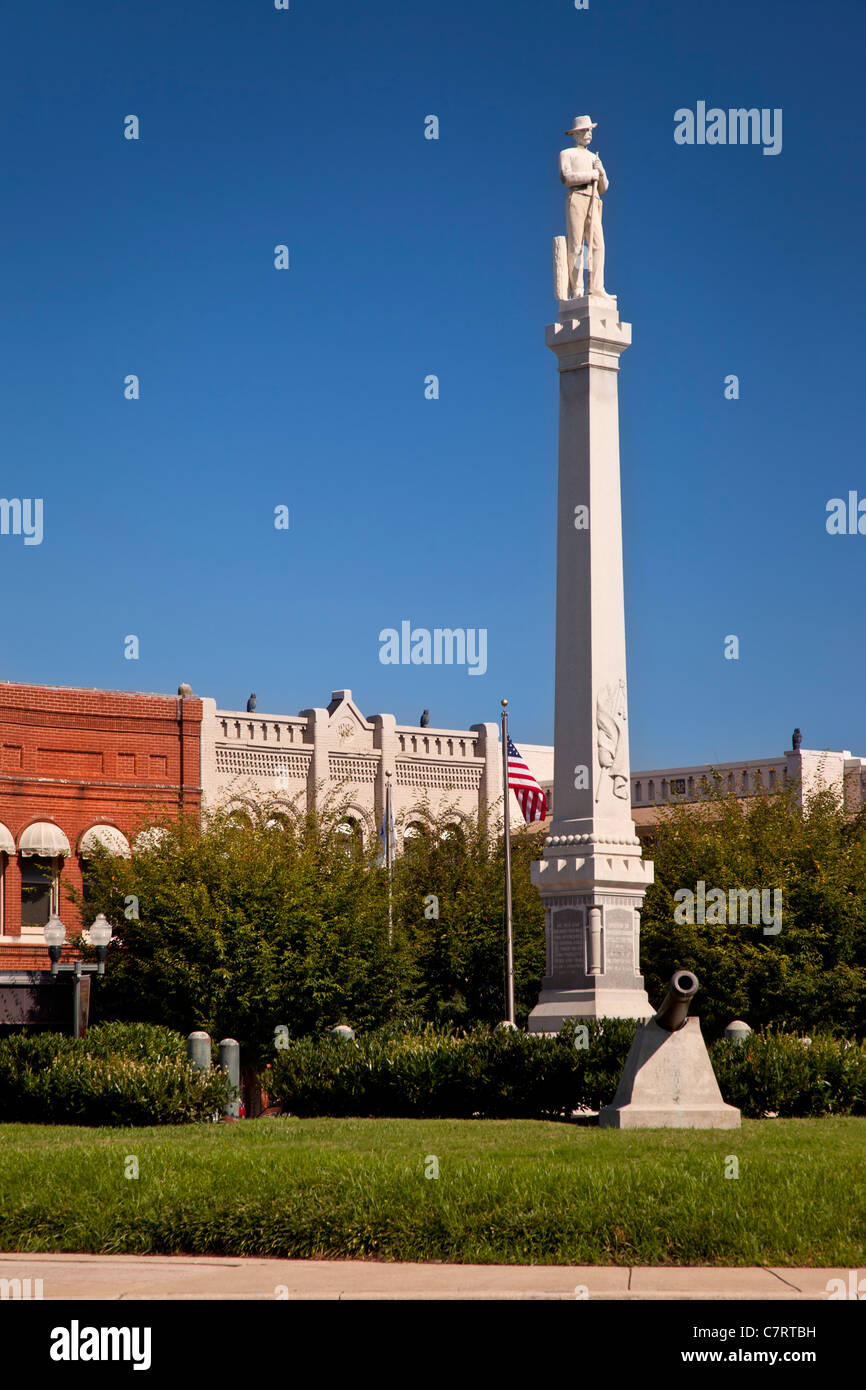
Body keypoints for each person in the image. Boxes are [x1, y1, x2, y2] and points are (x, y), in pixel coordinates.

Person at [559, 115, 609, 298]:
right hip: (577, 196)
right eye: (584, 130)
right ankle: (578, 288)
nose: (588, 133)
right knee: (577, 244)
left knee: (598, 245)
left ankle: (596, 287)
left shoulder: (594, 158)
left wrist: (601, 172)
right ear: (576, 134)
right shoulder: (567, 154)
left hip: (594, 199)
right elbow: (566, 178)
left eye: (590, 130)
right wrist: (591, 174)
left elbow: (604, 188)